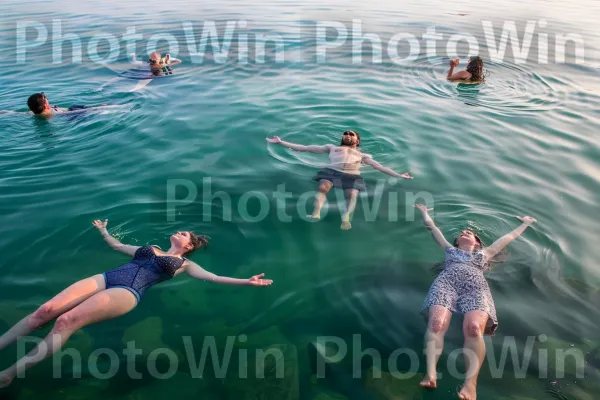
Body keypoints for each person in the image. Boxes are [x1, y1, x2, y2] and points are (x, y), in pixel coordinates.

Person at [0, 219, 273, 388]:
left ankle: (10, 373)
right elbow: (118, 247)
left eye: (183, 233)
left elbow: (213, 277)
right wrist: (104, 231)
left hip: (128, 291)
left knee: (64, 321)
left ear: (188, 246)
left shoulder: (186, 264)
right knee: (44, 312)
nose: (177, 232)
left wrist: (245, 281)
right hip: (108, 277)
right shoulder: (151, 247)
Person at [414, 204, 537, 400]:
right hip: (446, 283)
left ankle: (470, 384)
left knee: (473, 328)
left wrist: (526, 224)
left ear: (476, 241)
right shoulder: (450, 250)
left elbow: (507, 238)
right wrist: (424, 212)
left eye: (469, 232)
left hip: (475, 288)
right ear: (457, 241)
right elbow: (433, 229)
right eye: (462, 232)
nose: (465, 232)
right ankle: (430, 374)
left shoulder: (484, 254)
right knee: (436, 324)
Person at [266, 131, 413, 230]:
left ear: (357, 140)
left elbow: (379, 167)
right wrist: (281, 142)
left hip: (352, 175)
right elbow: (304, 148)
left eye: (351, 134)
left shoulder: (363, 155)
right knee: (323, 187)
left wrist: (398, 175)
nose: (347, 135)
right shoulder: (332, 148)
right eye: (345, 134)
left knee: (352, 194)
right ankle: (316, 212)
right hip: (332, 171)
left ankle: (346, 217)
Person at [26, 92, 106, 119]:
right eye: (46, 98)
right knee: (77, 109)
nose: (47, 99)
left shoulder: (32, 112)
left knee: (72, 106)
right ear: (45, 105)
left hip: (69, 111)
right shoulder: (52, 114)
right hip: (70, 115)